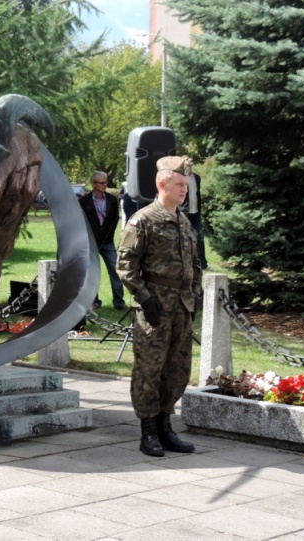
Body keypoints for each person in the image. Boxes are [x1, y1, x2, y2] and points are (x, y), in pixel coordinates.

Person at [117, 155, 202, 458]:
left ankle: (166, 426)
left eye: (187, 185)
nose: (185, 190)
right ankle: (148, 431)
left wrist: (196, 292)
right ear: (162, 183)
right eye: (179, 184)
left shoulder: (183, 222)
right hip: (155, 307)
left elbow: (195, 263)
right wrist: (145, 299)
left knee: (177, 369)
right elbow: (126, 266)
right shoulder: (144, 220)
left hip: (182, 306)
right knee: (150, 370)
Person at [78, 171, 127, 310]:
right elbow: (82, 222)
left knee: (115, 270)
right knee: (92, 272)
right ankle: (94, 301)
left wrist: (108, 235)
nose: (105, 185)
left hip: (107, 242)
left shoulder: (112, 199)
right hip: (91, 243)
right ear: (93, 184)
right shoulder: (83, 201)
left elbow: (114, 219)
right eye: (102, 183)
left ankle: (119, 302)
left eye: (106, 182)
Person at [180, 169, 208, 269]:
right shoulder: (180, 176)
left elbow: (197, 193)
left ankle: (203, 264)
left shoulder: (196, 177)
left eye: (190, 161)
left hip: (195, 211)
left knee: (199, 238)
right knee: (184, 237)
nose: (188, 164)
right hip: (184, 211)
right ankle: (184, 263)